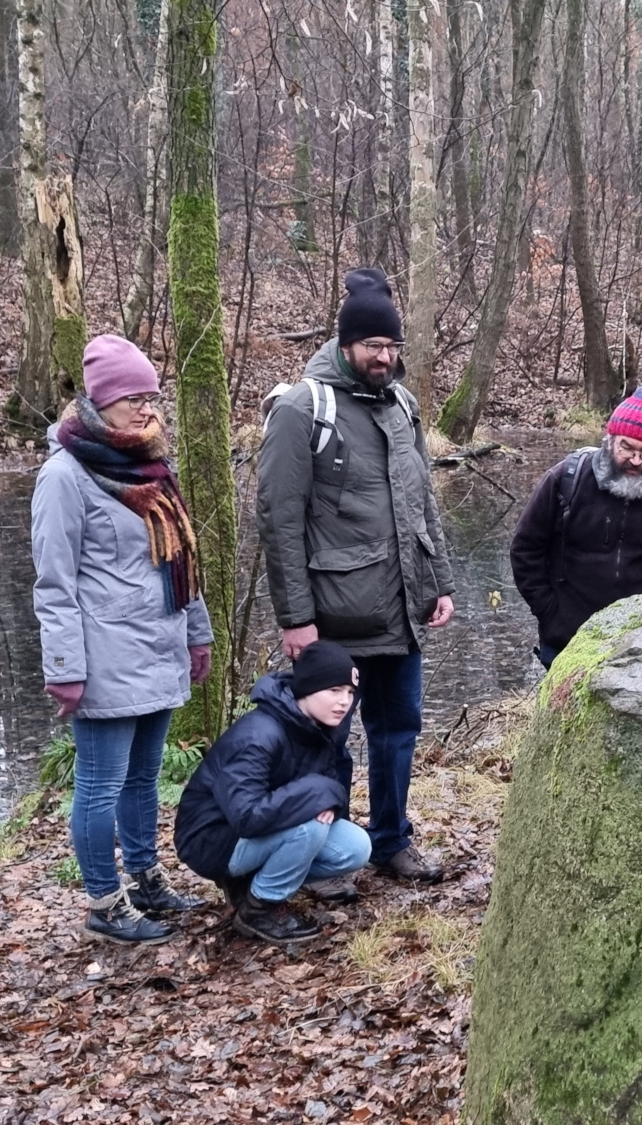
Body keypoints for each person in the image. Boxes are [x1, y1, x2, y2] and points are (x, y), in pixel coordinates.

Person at [257, 267, 456, 887]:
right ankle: (330, 855)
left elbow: (422, 499)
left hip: (398, 609)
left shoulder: (402, 405)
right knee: (326, 742)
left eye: (393, 347)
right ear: (346, 344)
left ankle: (392, 842)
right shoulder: (301, 409)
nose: (385, 357)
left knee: (398, 730)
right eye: (374, 346)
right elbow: (279, 518)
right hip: (333, 616)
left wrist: (441, 581)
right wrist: (296, 617)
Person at [30, 334, 213, 944]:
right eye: (132, 397)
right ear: (99, 402)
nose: (146, 408)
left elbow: (180, 560)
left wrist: (197, 635)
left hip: (158, 649)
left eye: (151, 395)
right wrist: (65, 667)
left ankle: (146, 878)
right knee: (101, 784)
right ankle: (104, 904)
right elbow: (53, 583)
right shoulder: (64, 476)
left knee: (143, 778)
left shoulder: (153, 464)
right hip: (104, 657)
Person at [175, 641, 372, 945]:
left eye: (349, 692)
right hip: (212, 840)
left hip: (259, 829)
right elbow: (246, 817)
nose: (344, 702)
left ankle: (252, 884)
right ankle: (259, 907)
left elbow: (331, 782)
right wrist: (315, 794)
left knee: (356, 847)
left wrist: (323, 795)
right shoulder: (258, 735)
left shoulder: (317, 726)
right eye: (334, 691)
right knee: (311, 827)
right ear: (307, 688)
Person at [511, 391, 642, 666]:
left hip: (641, 644)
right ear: (610, 440)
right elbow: (525, 549)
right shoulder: (566, 479)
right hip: (567, 639)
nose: (636, 460)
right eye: (626, 448)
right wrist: (548, 610)